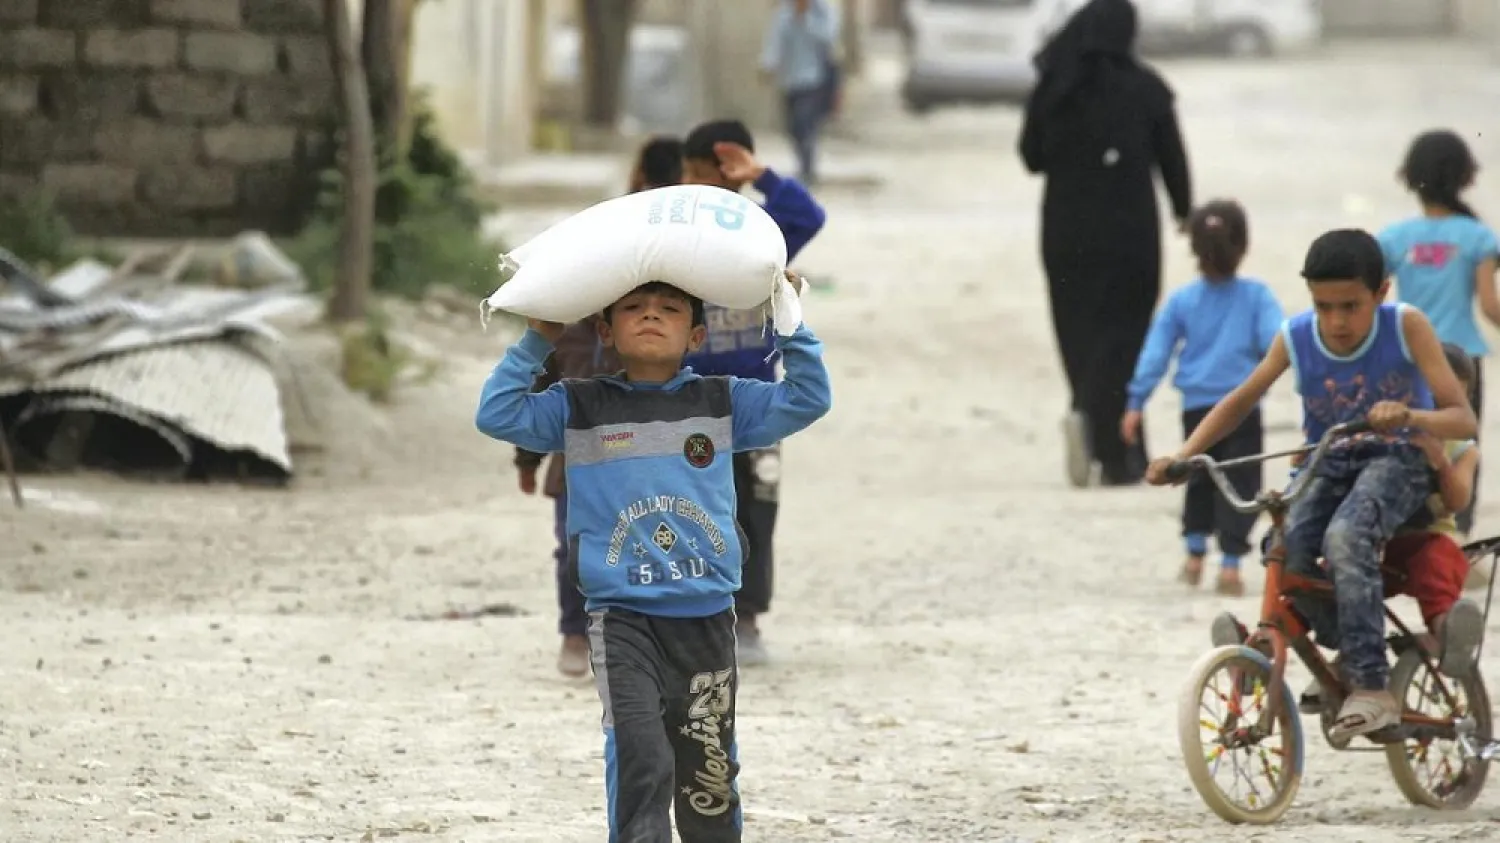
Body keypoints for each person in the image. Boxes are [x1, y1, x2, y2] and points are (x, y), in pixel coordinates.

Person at [475, 275, 832, 842]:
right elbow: (497, 415)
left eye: (668, 309)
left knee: (707, 769)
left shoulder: (724, 401)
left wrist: (786, 320)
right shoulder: (579, 405)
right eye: (633, 307)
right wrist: (538, 337)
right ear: (605, 330)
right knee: (640, 752)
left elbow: (809, 399)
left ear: (694, 337)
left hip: (706, 616)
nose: (650, 315)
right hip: (621, 618)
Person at [1146, 228, 1476, 741]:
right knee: (1286, 548)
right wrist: (1185, 456)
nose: (1337, 321)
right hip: (1328, 461)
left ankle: (1372, 686)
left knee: (1346, 537)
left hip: (1399, 459)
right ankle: (1345, 648)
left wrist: (1409, 414)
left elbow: (1463, 420)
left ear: (1381, 292)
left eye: (1350, 306)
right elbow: (1240, 399)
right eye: (1324, 306)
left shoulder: (1407, 326)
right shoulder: (1297, 336)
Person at [1216, 342, 1488, 713]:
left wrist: (1439, 460)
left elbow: (1457, 501)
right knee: (1313, 578)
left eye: (1447, 399)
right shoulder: (1387, 433)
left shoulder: (1461, 447)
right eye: (1427, 396)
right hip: (1370, 542)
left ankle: (1447, 632)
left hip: (1420, 540)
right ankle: (1265, 647)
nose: (1434, 408)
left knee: (1435, 563)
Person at [514, 137, 682, 678]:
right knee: (576, 546)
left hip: (638, 450)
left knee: (631, 545)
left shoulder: (644, 310)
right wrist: (526, 456)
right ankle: (573, 632)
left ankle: (631, 636)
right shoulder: (567, 326)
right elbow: (541, 382)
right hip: (579, 451)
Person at [1019, 0, 1193, 488]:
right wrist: (1184, 210)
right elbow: (1173, 159)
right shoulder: (1147, 89)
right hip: (1130, 235)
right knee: (1125, 339)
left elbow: (1031, 157)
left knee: (1079, 335)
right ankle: (1119, 454)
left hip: (1066, 232)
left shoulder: (1055, 87)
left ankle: (1092, 427)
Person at [681, 119, 827, 666]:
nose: (703, 184)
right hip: (690, 401)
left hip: (758, 405)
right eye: (692, 174)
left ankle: (751, 618)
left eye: (711, 174)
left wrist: (761, 176)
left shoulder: (763, 230)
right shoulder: (679, 234)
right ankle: (698, 616)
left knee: (757, 509)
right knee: (696, 508)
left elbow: (809, 216)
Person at [1120, 200, 1283, 596]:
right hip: (1243, 405)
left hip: (1196, 406)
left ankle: (1194, 555)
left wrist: (1136, 401)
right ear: (1243, 245)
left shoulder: (1181, 300)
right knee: (1241, 482)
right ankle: (1229, 566)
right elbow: (1276, 342)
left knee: (1193, 476)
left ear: (1193, 247)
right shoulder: (1257, 296)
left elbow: (1156, 353)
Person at [1379, 130, 1499, 537]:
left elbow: (1373, 300)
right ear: (1466, 178)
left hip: (1409, 357)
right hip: (1463, 358)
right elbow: (1489, 306)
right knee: (1462, 446)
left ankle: (1410, 530)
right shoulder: (1479, 237)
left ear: (1410, 177)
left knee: (1408, 444)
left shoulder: (1394, 238)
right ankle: (1456, 535)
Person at [760, 0, 841, 186]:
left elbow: (829, 39)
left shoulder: (824, 11)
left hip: (814, 79)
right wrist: (767, 65)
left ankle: (808, 169)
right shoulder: (784, 11)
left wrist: (805, 18)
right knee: (792, 127)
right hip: (790, 80)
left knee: (805, 122)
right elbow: (775, 40)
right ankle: (803, 163)